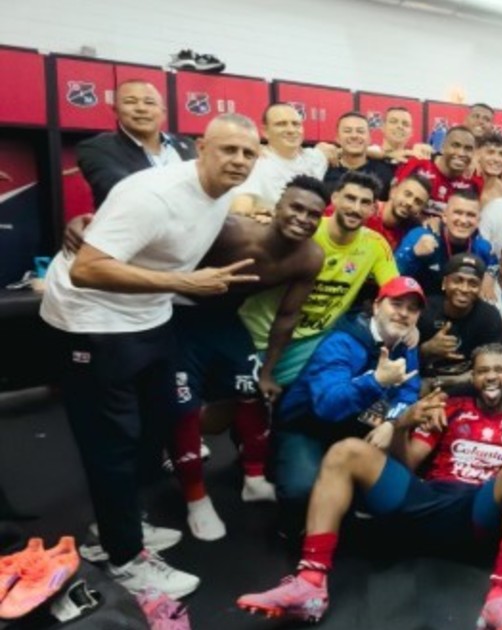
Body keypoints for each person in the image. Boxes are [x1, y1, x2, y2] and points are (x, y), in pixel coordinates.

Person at [40, 114, 261, 598]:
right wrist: (183, 283)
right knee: (112, 442)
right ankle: (123, 557)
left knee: (157, 421)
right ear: (201, 148)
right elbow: (87, 269)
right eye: (228, 149)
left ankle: (118, 525)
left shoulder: (224, 191)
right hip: (92, 319)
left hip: (148, 313)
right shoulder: (154, 194)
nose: (239, 160)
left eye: (249, 153)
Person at [238, 344, 502, 629]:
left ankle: (499, 599)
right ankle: (310, 585)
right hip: (426, 498)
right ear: (473, 377)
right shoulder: (451, 409)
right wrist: (402, 426)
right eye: (483, 370)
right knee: (346, 451)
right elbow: (409, 462)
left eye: (499, 369)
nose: (491, 376)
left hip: (475, 512)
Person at [167, 177, 328, 541]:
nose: (303, 218)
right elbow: (160, 235)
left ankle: (254, 480)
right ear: (277, 207)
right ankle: (196, 499)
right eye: (296, 207)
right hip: (179, 313)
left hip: (226, 318)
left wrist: (268, 372)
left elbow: (287, 316)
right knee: (183, 409)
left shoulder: (310, 257)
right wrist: (89, 225)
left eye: (313, 214)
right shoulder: (230, 230)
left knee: (253, 391)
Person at [270, 277, 425, 523]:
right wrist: (377, 381)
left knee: (391, 493)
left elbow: (409, 391)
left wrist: (392, 423)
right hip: (308, 425)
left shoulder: (406, 345)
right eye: (396, 304)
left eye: (412, 309)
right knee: (302, 493)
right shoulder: (342, 341)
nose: (404, 313)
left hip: (356, 425)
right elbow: (327, 406)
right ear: (376, 306)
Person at [239, 171, 399, 387]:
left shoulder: (375, 244)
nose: (356, 208)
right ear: (334, 198)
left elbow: (395, 290)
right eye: (350, 198)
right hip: (258, 332)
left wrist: (410, 327)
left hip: (310, 343)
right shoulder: (306, 227)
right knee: (237, 394)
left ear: (373, 209)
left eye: (365, 202)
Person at [76, 79, 196, 207]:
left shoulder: (189, 145)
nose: (141, 108)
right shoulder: (96, 148)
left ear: (163, 113)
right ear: (115, 111)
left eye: (149, 102)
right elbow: (126, 190)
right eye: (130, 102)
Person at [416, 253, 502, 391]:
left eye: (473, 283)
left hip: (468, 384)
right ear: (445, 283)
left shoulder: (489, 316)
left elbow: (496, 363)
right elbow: (400, 359)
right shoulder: (424, 311)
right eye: (457, 281)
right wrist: (426, 350)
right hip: (424, 383)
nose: (464, 289)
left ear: (480, 288)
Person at [230, 104, 329, 218]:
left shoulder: (315, 158)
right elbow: (239, 211)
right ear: (265, 131)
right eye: (281, 124)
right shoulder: (255, 164)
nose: (291, 130)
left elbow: (338, 150)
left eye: (296, 124)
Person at [395, 189, 496, 297]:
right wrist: (413, 254)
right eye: (458, 212)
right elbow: (393, 276)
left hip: (460, 303)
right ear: (444, 216)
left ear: (478, 221)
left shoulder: (482, 247)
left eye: (470, 215)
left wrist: (489, 275)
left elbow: (495, 264)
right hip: (422, 303)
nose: (463, 220)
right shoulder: (420, 236)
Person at [396, 125, 482, 217]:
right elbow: (395, 200)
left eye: (468, 149)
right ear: (442, 147)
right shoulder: (417, 165)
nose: (461, 153)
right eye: (455, 146)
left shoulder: (474, 182)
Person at [322, 112, 397, 201]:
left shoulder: (384, 172)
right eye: (347, 131)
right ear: (337, 138)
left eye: (360, 131)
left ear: (369, 138)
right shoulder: (323, 170)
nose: (354, 136)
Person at [361, 174, 433, 249]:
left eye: (418, 202)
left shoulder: (412, 233)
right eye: (407, 194)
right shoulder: (365, 212)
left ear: (420, 210)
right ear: (393, 191)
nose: (410, 203)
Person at [478, 132, 502, 208]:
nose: (496, 159)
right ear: (478, 155)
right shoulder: (465, 183)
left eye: (501, 154)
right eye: (490, 152)